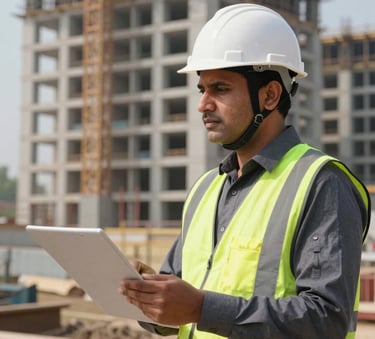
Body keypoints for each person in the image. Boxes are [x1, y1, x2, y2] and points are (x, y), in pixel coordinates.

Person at [119, 4, 370, 338]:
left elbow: (326, 320)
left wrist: (200, 308)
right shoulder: (205, 190)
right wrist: (150, 299)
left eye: (220, 89)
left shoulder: (321, 184)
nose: (203, 104)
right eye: (202, 89)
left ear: (269, 95)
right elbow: (175, 316)